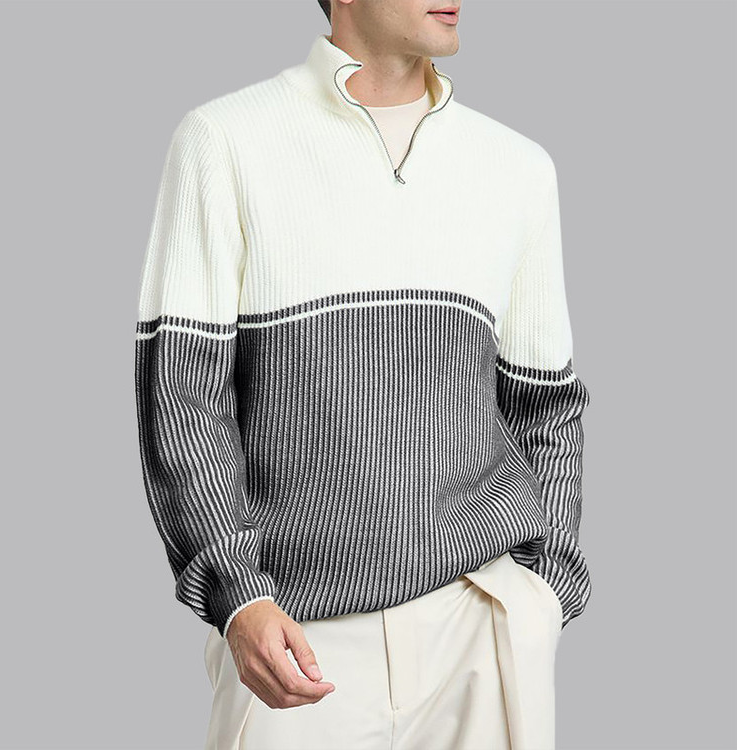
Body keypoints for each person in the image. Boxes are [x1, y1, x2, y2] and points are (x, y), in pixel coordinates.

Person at [133, 1, 592, 747]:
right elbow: (183, 397)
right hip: (295, 634)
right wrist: (238, 597)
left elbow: (547, 404)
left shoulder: (517, 167)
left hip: (478, 625)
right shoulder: (226, 140)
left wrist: (546, 592)